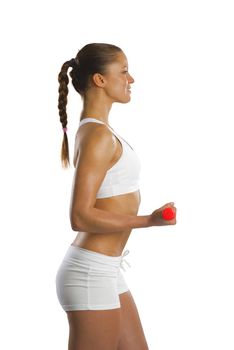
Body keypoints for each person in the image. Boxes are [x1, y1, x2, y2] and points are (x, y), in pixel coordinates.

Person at [55, 43, 177, 350]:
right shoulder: (96, 135)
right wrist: (147, 220)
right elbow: (80, 216)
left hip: (106, 269)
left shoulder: (101, 131)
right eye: (123, 71)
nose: (131, 79)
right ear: (100, 80)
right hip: (90, 273)